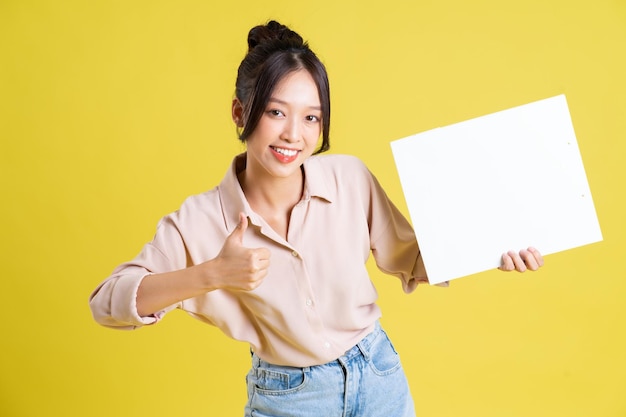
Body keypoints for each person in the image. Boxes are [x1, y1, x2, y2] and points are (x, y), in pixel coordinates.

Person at [89, 20, 544, 417]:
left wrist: (490, 250)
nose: (294, 134)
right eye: (276, 112)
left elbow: (412, 256)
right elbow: (107, 302)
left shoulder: (349, 177)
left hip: (379, 375)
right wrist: (213, 273)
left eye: (312, 118)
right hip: (290, 398)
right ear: (239, 111)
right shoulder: (201, 219)